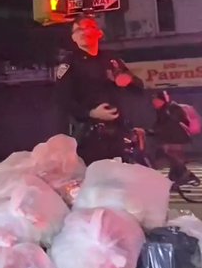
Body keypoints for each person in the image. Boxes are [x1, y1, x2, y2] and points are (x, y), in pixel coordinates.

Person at [55, 15, 144, 163]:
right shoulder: (69, 63)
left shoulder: (111, 59)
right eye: (78, 30)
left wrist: (127, 81)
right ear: (73, 38)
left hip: (118, 134)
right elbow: (61, 99)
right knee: (95, 180)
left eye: (88, 27)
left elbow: (138, 88)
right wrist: (91, 113)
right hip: (88, 135)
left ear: (99, 33)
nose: (83, 32)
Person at [149, 90, 193, 185]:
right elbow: (158, 125)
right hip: (169, 138)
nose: (154, 102)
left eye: (156, 100)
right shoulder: (161, 110)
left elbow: (176, 122)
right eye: (153, 100)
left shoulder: (171, 108)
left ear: (163, 100)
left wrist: (156, 130)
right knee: (171, 158)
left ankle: (186, 175)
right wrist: (150, 131)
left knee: (174, 156)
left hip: (177, 138)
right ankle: (174, 180)